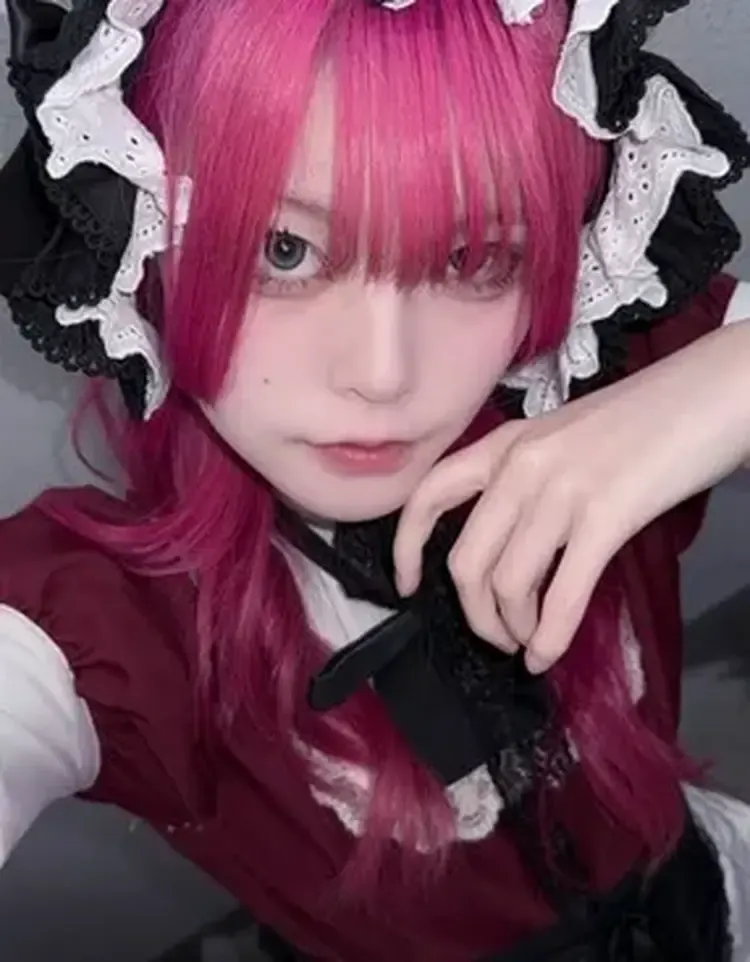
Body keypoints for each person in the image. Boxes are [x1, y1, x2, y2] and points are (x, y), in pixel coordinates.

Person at [1, 0, 750, 959]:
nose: (383, 374)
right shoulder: (102, 626)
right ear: (139, 237)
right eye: (284, 249)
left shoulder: (617, 379)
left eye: (476, 256)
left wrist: (727, 384)